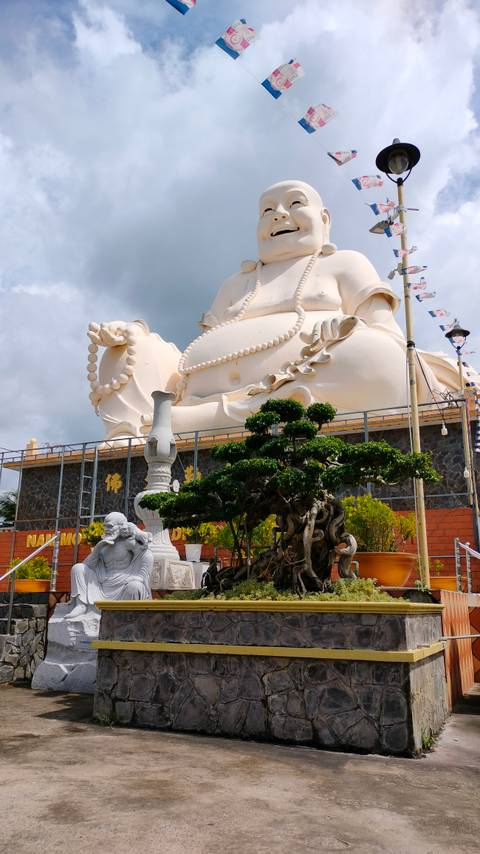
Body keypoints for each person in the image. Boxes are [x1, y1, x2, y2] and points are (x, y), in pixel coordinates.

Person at [87, 179, 461, 437]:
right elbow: (195, 353)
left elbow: (385, 335)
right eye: (267, 210)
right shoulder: (236, 283)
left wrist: (344, 340)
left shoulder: (345, 262)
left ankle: (171, 423)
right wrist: (136, 338)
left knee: (378, 356)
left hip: (314, 376)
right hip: (200, 390)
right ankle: (150, 424)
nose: (279, 214)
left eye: (295, 203)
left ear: (325, 220)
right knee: (129, 349)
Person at [67, 512, 152, 618]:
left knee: (135, 586)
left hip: (123, 584)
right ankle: (81, 605)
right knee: (77, 568)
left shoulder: (128, 542)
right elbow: (88, 566)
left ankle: (127, 618)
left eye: (110, 526)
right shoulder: (103, 544)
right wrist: (99, 547)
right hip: (102, 583)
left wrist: (140, 576)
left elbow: (147, 554)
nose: (106, 529)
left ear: (120, 527)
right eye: (105, 526)